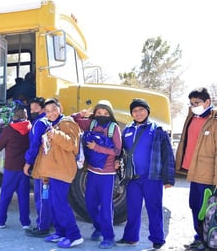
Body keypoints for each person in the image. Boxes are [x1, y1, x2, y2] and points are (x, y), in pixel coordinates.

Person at [116, 98, 175, 250]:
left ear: (148, 111)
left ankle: (157, 239)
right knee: (133, 209)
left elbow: (167, 154)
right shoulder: (127, 130)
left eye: (141, 110)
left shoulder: (157, 129)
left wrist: (168, 178)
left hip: (152, 178)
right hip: (133, 178)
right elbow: (122, 152)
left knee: (153, 208)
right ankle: (130, 237)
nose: (138, 113)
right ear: (131, 114)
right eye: (135, 111)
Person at [31, 98, 84, 248]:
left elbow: (72, 145)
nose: (51, 113)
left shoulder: (68, 123)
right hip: (52, 171)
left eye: (54, 110)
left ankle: (75, 235)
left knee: (60, 203)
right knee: (53, 203)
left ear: (60, 109)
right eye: (47, 111)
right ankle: (60, 232)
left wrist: (56, 135)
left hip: (63, 171)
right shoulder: (52, 125)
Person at [71, 100, 122, 249]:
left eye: (106, 113)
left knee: (106, 206)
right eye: (99, 112)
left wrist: (97, 147)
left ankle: (109, 237)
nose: (102, 115)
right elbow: (72, 119)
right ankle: (98, 227)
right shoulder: (92, 124)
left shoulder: (114, 128)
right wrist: (82, 114)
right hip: (92, 171)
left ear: (110, 114)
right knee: (90, 203)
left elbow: (117, 151)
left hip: (107, 174)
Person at [175, 87, 217, 251]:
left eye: (197, 103)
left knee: (205, 210)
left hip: (207, 175)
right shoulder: (192, 117)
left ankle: (206, 241)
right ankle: (199, 237)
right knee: (195, 206)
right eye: (191, 103)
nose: (193, 106)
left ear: (208, 102)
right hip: (194, 172)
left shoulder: (214, 120)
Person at [0, 107, 32, 230]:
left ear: (13, 117)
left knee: (6, 195)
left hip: (11, 168)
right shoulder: (30, 128)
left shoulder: (9, 130)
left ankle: (0, 221)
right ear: (26, 117)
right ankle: (25, 222)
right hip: (25, 168)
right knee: (24, 196)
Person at [23, 97, 53, 238]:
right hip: (52, 165)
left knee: (41, 196)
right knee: (48, 195)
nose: (32, 111)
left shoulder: (39, 123)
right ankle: (50, 222)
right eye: (31, 109)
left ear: (42, 109)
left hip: (41, 166)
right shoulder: (51, 121)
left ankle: (42, 226)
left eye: (35, 108)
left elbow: (35, 145)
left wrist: (28, 162)